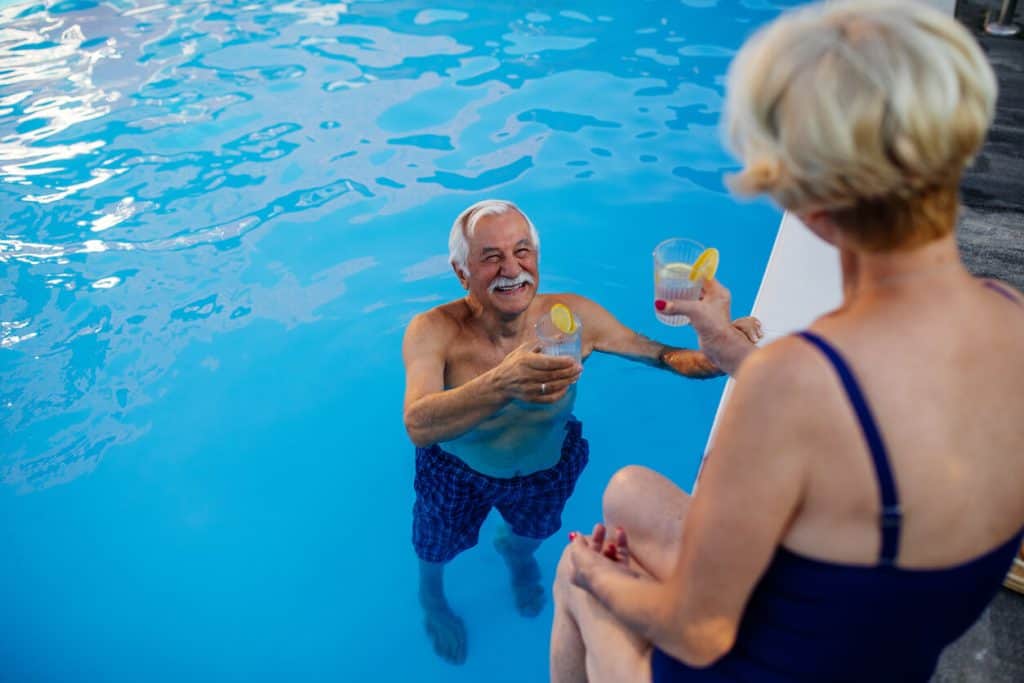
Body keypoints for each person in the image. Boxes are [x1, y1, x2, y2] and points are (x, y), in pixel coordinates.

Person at [551, 2, 1024, 681]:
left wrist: (605, 580)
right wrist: (726, 348)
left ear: (809, 198)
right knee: (628, 492)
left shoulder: (794, 386)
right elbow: (884, 408)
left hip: (755, 661)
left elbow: (700, 631)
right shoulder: (1008, 315)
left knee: (575, 568)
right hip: (882, 637)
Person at [402, 198, 762, 664]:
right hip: (456, 471)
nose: (513, 269)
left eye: (523, 251)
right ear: (461, 271)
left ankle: (517, 558)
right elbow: (417, 423)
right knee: (434, 548)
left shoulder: (575, 316)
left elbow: (661, 355)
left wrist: (719, 349)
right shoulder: (434, 331)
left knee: (530, 534)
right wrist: (502, 383)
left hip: (544, 469)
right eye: (491, 257)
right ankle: (433, 597)